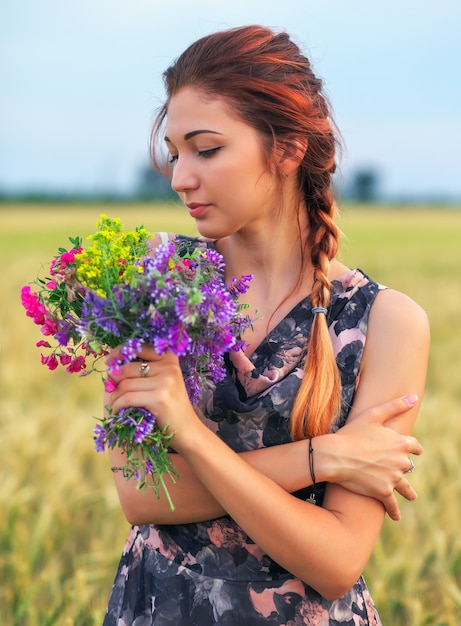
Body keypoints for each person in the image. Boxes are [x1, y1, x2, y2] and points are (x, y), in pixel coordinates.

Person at [102, 25, 429, 625]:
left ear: (287, 147)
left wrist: (193, 440)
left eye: (206, 149)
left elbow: (335, 561)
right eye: (175, 153)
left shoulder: (386, 322)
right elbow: (141, 493)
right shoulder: (157, 279)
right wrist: (325, 457)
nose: (180, 179)